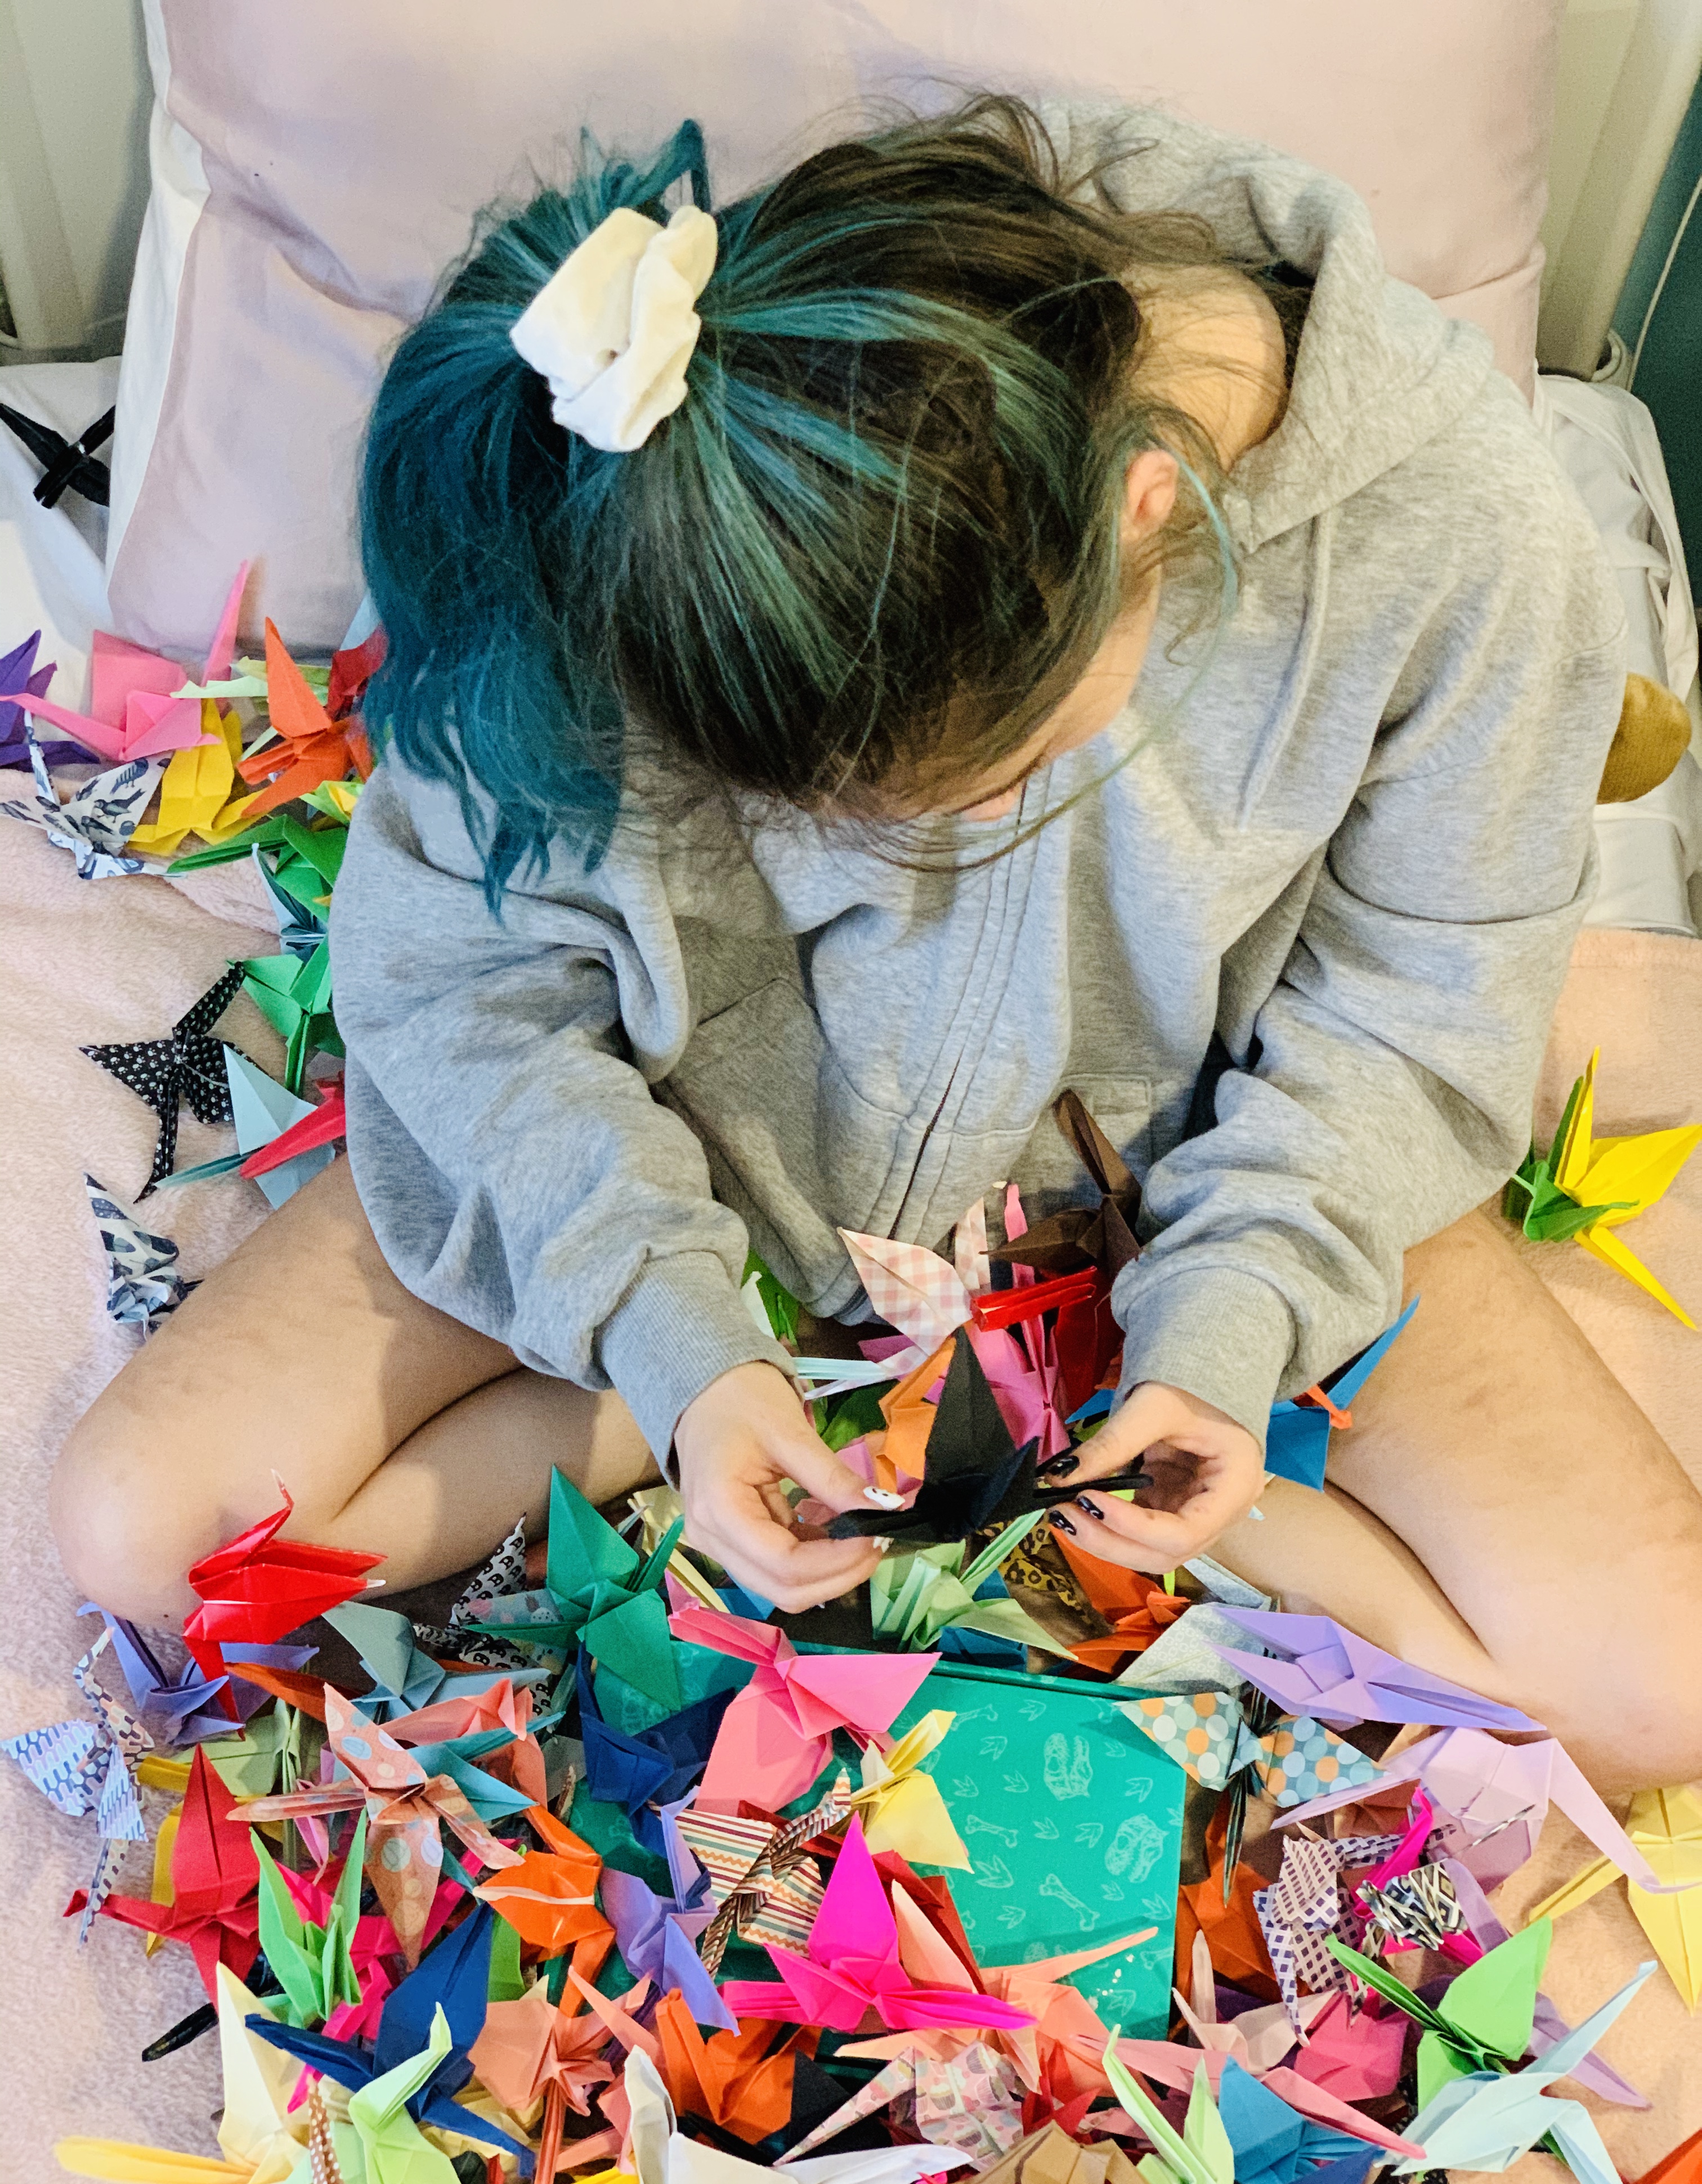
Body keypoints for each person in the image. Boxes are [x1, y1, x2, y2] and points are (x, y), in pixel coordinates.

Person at [51, 98, 1702, 1799]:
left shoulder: (1464, 535)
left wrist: (1227, 1333)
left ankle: (1056, 1440)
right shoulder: (706, 475)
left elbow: (1417, 1012)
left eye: (969, 787)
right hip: (682, 1161)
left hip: (1186, 1186)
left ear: (1150, 516)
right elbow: (474, 981)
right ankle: (732, 1415)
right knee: (144, 1529)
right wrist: (682, 1356)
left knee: (1663, 1689)